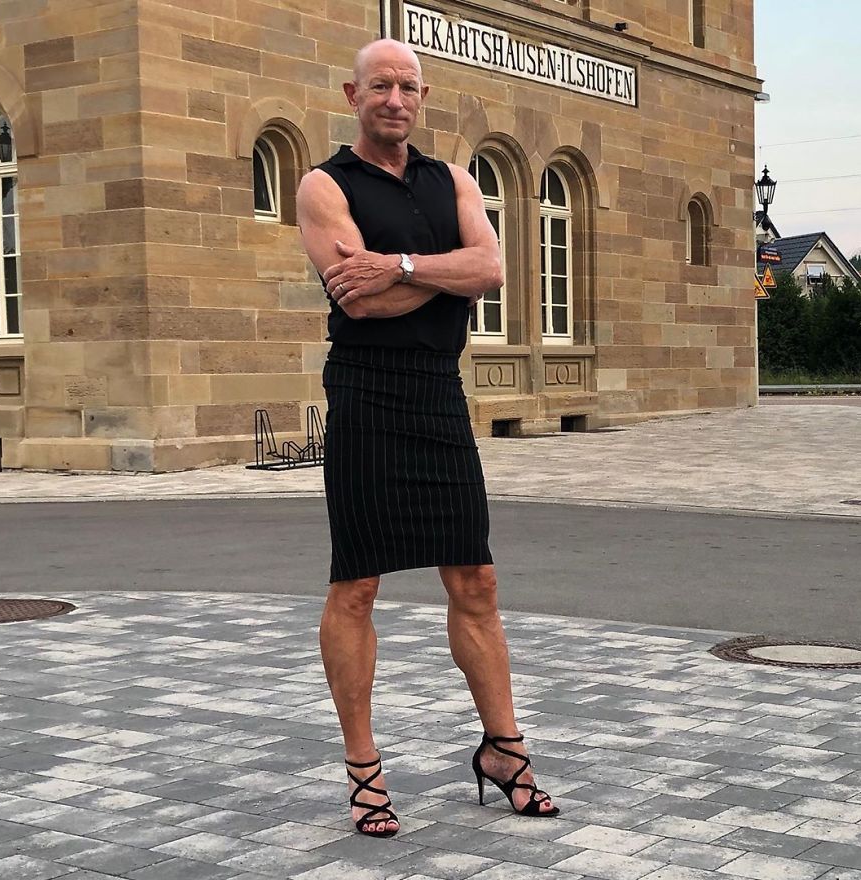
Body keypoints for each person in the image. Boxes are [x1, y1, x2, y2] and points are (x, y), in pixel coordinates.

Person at [296, 38, 557, 838]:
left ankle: (504, 752)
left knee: (475, 579)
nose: (395, 99)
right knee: (358, 585)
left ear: (423, 95)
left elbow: (493, 269)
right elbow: (359, 303)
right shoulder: (322, 184)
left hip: (440, 395)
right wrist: (446, 277)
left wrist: (401, 265)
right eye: (381, 86)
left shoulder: (457, 180)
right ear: (353, 94)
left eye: (408, 87)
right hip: (368, 396)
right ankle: (366, 773)